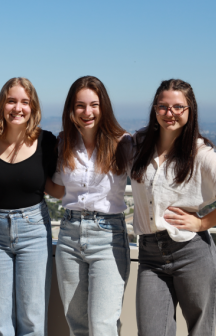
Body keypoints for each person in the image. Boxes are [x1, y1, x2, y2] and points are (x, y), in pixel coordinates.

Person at [130, 79, 216, 336]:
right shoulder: (139, 144)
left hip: (192, 253)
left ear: (189, 110)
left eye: (177, 107)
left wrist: (203, 223)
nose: (169, 113)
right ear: (154, 108)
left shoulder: (200, 153)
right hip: (150, 256)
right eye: (163, 106)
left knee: (200, 331)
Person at [45, 76, 131, 336]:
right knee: (78, 326)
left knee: (103, 325)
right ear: (71, 109)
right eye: (80, 105)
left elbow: (154, 169)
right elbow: (59, 189)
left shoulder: (123, 143)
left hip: (108, 237)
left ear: (103, 106)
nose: (87, 112)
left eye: (94, 104)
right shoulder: (64, 144)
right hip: (69, 235)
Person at [0, 77, 57, 336]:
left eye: (25, 102)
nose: (17, 108)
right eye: (11, 101)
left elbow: (58, 186)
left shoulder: (47, 142)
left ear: (33, 107)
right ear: (2, 105)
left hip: (33, 229)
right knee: (0, 320)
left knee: (32, 318)